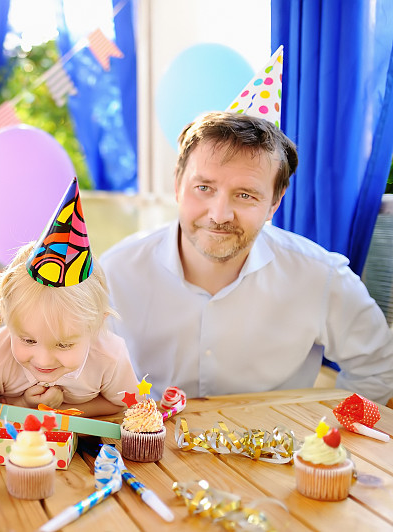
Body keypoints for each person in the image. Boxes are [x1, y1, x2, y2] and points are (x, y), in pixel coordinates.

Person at [100, 111, 393, 404]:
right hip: (150, 445)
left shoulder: (321, 275)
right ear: (178, 183)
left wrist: (323, 436)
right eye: (204, 188)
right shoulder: (115, 272)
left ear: (274, 204)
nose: (219, 215)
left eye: (245, 195)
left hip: (277, 448)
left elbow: (378, 368)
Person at [0, 179, 140, 417]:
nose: (43, 360)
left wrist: (64, 411)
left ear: (97, 325)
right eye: (28, 341)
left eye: (63, 344)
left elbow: (125, 404)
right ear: (6, 315)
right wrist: (23, 404)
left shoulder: (110, 358)